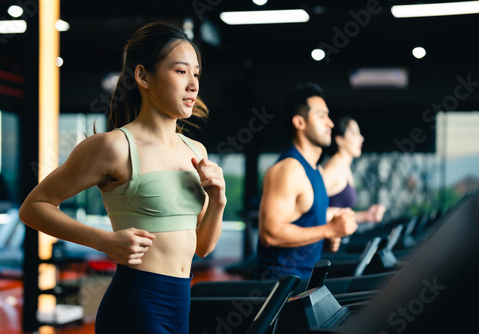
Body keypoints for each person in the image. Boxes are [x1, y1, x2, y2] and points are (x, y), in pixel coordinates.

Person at [19, 22, 226, 334]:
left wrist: (219, 201)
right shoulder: (113, 147)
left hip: (182, 303)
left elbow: (204, 247)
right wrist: (103, 241)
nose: (193, 84)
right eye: (181, 71)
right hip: (137, 304)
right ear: (143, 76)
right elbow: (34, 206)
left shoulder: (194, 149)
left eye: (196, 73)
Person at [255, 83, 358, 280]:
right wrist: (328, 230)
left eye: (328, 116)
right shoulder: (289, 169)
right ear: (300, 123)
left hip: (304, 283)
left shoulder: (316, 170)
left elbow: (305, 225)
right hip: (278, 289)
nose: (330, 123)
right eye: (321, 116)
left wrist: (325, 237)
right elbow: (270, 233)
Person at [322, 116, 385, 225]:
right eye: (354, 133)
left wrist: (366, 215)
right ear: (340, 140)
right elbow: (310, 210)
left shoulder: (344, 166)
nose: (361, 138)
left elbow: (340, 213)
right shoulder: (335, 167)